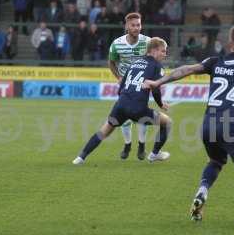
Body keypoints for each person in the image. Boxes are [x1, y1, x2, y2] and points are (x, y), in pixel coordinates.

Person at [143, 24, 234, 228]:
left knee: (216, 160)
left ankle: (203, 190)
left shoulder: (217, 61)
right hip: (232, 127)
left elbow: (186, 69)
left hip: (208, 125)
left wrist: (158, 82)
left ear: (229, 43)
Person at [73, 37, 171, 165]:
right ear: (153, 50)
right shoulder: (157, 66)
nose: (165, 54)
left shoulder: (135, 63)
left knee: (104, 131)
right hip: (138, 109)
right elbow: (155, 89)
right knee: (167, 122)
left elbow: (122, 85)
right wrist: (161, 104)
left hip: (121, 105)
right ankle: (154, 154)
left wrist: (123, 101)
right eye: (163, 51)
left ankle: (80, 158)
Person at [108, 12, 151, 160]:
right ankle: (127, 144)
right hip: (125, 86)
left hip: (141, 84)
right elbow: (111, 62)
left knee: (142, 114)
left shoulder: (148, 42)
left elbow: (156, 58)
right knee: (125, 116)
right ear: (127, 26)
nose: (136, 28)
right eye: (133, 25)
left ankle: (142, 145)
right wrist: (118, 77)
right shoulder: (117, 44)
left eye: (138, 25)